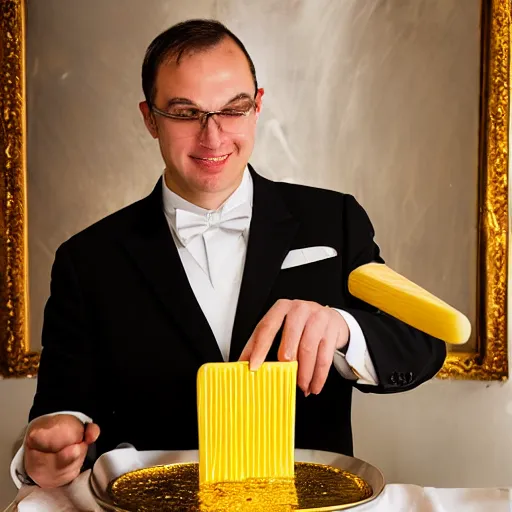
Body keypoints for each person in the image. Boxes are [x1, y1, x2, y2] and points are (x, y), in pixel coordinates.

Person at [11, 19, 446, 489]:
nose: (213, 137)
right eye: (185, 112)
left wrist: (342, 327)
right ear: (149, 117)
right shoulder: (86, 258)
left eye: (233, 109)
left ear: (257, 106)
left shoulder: (333, 219)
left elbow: (423, 345)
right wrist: (48, 448)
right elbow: (60, 410)